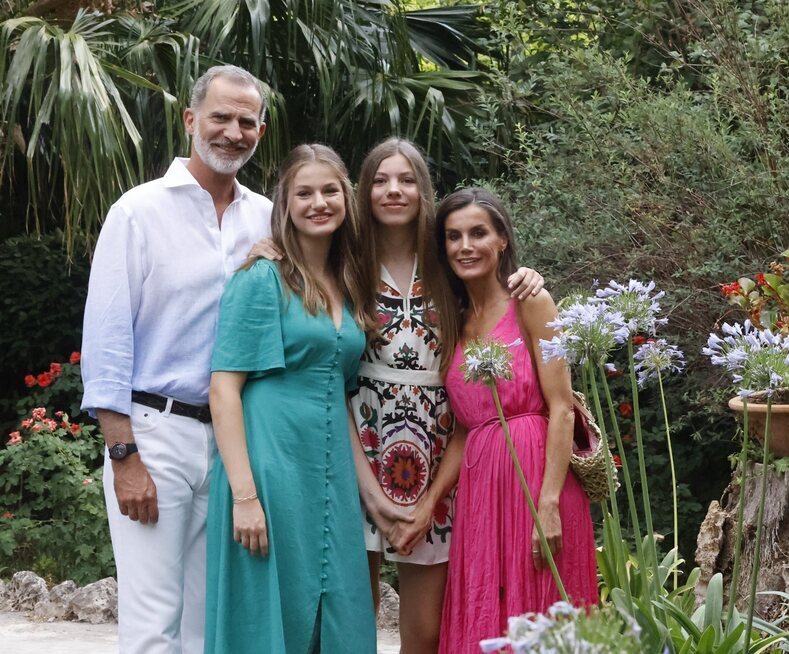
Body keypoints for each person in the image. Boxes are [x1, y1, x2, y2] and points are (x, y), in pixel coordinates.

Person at [249, 138, 542, 653]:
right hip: (354, 448)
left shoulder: (449, 266)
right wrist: (267, 248)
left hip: (435, 454)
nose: (393, 190)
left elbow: (495, 295)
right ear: (363, 191)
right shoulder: (343, 262)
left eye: (406, 179)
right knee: (346, 619)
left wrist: (529, 277)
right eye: (381, 179)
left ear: (423, 189)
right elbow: (327, 375)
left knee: (424, 632)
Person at [81, 65, 273, 654]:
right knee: (152, 624)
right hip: (154, 433)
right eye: (220, 117)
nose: (232, 132)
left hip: (234, 440)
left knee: (209, 622)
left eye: (247, 121)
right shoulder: (138, 212)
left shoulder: (268, 218)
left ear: (260, 132)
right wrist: (123, 455)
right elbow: (107, 339)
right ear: (191, 120)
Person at [206, 144, 378, 653]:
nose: (318, 202)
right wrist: (245, 497)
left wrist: (371, 492)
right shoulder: (261, 278)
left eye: (329, 191)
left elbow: (340, 393)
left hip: (330, 474)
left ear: (346, 199)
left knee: (341, 608)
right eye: (304, 193)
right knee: (267, 615)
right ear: (285, 204)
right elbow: (223, 390)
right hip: (269, 466)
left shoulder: (348, 283)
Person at [429, 187, 599, 652]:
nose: (465, 246)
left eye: (478, 233)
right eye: (453, 236)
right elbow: (468, 427)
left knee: (543, 610)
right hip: (481, 492)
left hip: (539, 478)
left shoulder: (531, 301)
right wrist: (429, 504)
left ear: (502, 239)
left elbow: (561, 407)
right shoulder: (454, 320)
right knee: (487, 613)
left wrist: (548, 504)